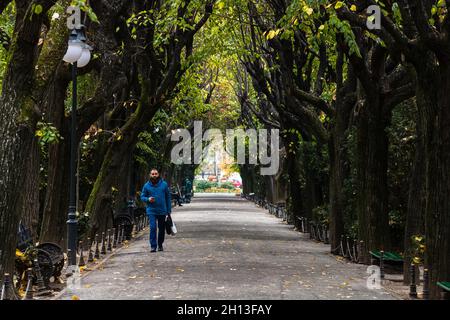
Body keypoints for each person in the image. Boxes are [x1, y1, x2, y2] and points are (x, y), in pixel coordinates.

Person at [140, 169, 171, 252]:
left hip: (162, 211)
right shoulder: (146, 186)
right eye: (152, 174)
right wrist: (148, 199)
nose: (154, 175)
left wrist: (168, 210)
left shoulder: (164, 185)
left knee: (161, 229)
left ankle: (160, 244)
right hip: (151, 211)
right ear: (150, 175)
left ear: (158, 174)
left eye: (156, 174)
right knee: (153, 227)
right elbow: (142, 197)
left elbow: (168, 197)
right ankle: (153, 246)